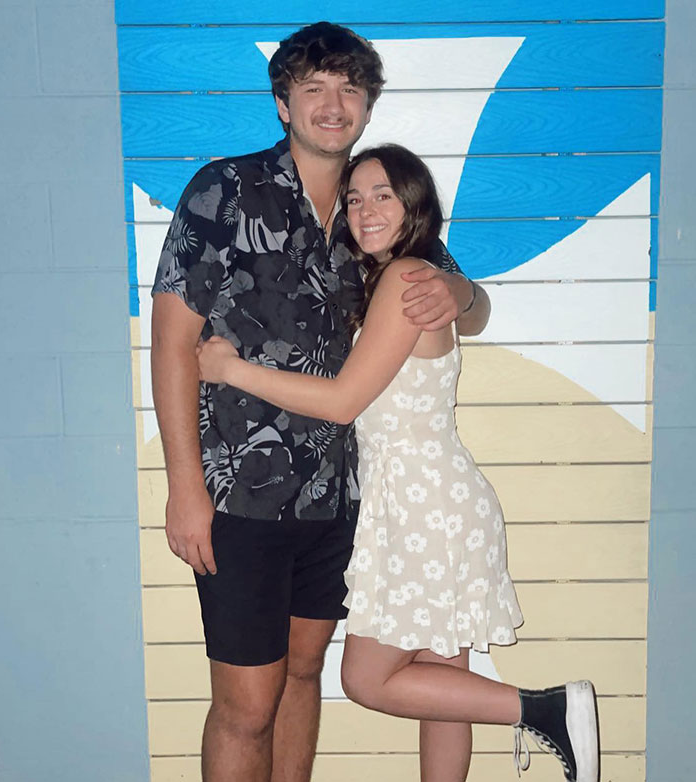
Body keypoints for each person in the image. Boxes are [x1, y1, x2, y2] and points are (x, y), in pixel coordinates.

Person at [197, 144, 600, 782]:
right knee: (442, 685)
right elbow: (470, 314)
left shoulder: (407, 277)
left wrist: (231, 370)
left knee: (366, 678)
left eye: (383, 195)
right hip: (433, 501)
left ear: (415, 205)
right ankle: (545, 712)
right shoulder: (405, 276)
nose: (365, 210)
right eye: (355, 199)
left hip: (423, 506)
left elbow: (342, 401)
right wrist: (465, 292)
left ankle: (544, 710)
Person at [150, 22, 486, 782]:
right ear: (283, 103)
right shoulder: (225, 191)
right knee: (246, 704)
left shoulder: (376, 207)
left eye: (349, 89)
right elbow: (172, 345)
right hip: (239, 495)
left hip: (342, 498)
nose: (333, 105)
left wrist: (461, 291)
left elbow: (465, 301)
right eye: (314, 88)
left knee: (304, 677)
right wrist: (184, 488)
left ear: (367, 104)